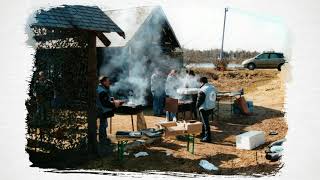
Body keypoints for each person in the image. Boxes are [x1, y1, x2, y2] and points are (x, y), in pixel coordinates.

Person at [96, 76, 122, 143]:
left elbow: (103, 100)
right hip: (101, 110)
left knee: (103, 124)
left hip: (99, 109)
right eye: (108, 81)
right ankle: (103, 140)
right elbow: (105, 104)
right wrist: (114, 104)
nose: (109, 83)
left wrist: (111, 100)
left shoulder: (100, 88)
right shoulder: (102, 91)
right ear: (104, 82)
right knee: (103, 125)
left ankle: (103, 138)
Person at [196, 77, 217, 142]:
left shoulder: (203, 89)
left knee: (205, 123)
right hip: (211, 106)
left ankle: (208, 137)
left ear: (201, 82)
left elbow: (200, 100)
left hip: (204, 108)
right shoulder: (212, 87)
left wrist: (196, 106)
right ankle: (203, 133)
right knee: (204, 121)